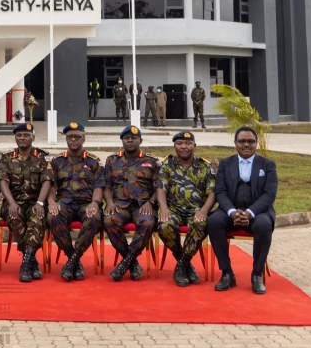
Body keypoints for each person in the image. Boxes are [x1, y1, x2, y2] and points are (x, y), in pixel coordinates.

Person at [209, 126, 278, 295]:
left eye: (250, 141)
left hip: (258, 212)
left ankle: (256, 274)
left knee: (264, 225)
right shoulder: (226, 164)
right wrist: (232, 212)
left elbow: (269, 194)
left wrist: (249, 213)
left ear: (256, 144)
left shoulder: (268, 165)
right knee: (214, 221)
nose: (246, 144)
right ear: (235, 143)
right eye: (242, 141)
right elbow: (221, 192)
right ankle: (227, 273)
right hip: (231, 211)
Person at [156, 131, 216, 287]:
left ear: (194, 146)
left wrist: (204, 210)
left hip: (196, 211)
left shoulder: (205, 166)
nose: (184, 147)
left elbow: (212, 193)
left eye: (188, 144)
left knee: (201, 225)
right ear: (174, 146)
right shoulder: (167, 164)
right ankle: (185, 265)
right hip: (173, 210)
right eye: (179, 143)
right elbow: (161, 188)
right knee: (164, 226)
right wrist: (163, 208)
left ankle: (181, 267)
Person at [103, 125, 160, 282]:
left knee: (148, 222)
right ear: (122, 141)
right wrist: (109, 202)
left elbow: (158, 188)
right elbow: (107, 187)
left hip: (142, 206)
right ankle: (132, 262)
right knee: (109, 220)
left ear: (140, 141)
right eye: (126, 138)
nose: (130, 141)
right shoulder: (112, 161)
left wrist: (151, 202)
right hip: (119, 205)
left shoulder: (151, 162)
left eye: (134, 138)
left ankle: (125, 263)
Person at [47, 122, 103, 282]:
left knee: (94, 218)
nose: (73, 140)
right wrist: (51, 202)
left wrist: (95, 204)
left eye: (77, 137)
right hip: (64, 203)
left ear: (84, 139)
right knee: (53, 217)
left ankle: (73, 260)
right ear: (66, 139)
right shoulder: (57, 161)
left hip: (86, 203)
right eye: (70, 137)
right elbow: (51, 186)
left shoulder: (94, 162)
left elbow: (99, 187)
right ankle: (74, 260)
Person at [0, 122, 53, 283]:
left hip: (35, 203)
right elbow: (3, 182)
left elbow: (47, 181)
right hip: (12, 202)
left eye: (26, 135)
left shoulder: (42, 157)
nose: (22, 138)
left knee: (37, 220)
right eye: (19, 135)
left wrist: (41, 203)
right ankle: (32, 261)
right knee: (15, 217)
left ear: (33, 137)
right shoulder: (7, 157)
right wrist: (11, 203)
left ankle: (25, 265)